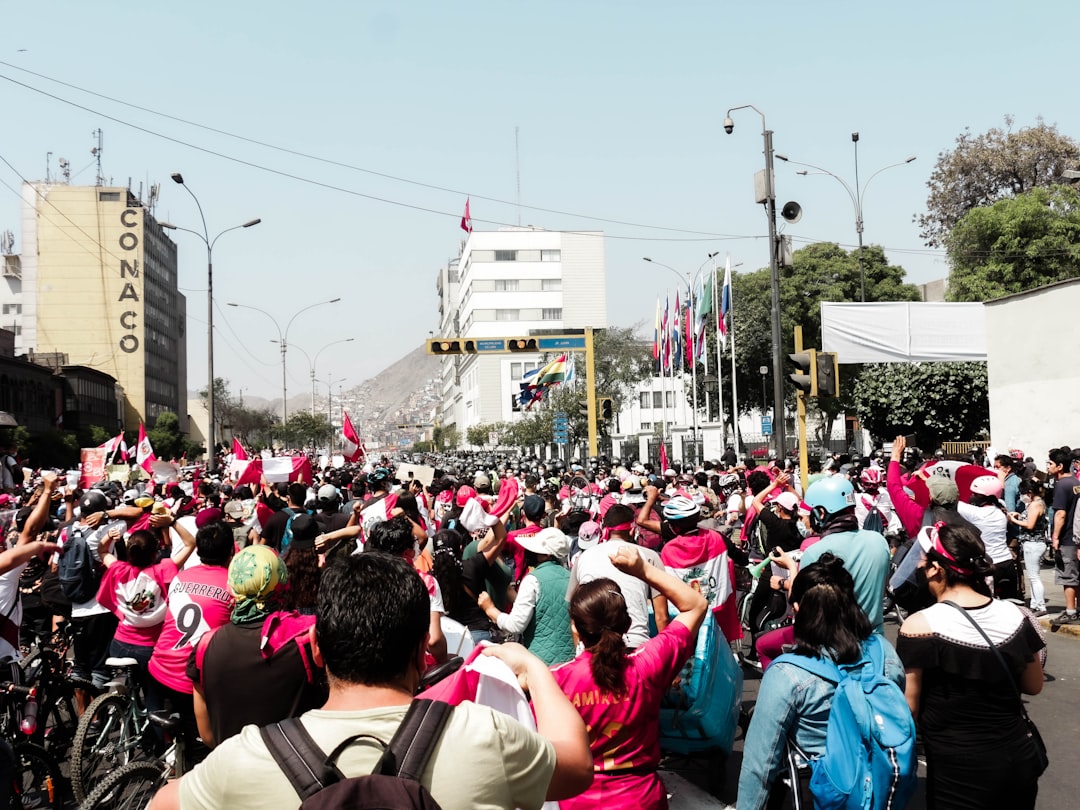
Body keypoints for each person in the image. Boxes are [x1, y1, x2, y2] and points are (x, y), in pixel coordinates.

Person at [151, 552, 594, 810]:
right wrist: (533, 668)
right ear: (422, 649)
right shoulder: (484, 736)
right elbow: (576, 764)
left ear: (317, 648)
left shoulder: (243, 760)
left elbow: (158, 803)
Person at [737, 554, 906, 810]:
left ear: (797, 610)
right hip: (879, 790)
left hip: (822, 795)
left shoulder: (788, 674)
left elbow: (760, 764)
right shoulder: (884, 653)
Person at [897, 522, 1045, 810]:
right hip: (1019, 756)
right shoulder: (1018, 614)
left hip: (959, 768)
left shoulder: (920, 626)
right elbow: (1033, 685)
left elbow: (909, 710)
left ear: (937, 569)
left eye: (924, 561)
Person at [552, 543, 707, 809]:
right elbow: (696, 605)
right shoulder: (649, 663)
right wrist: (643, 569)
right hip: (642, 798)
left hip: (578, 802)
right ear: (628, 623)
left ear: (577, 628)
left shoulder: (553, 682)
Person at [188, 545, 325, 748]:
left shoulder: (205, 646)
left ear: (232, 587)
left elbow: (208, 736)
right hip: (297, 769)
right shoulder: (307, 636)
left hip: (231, 769)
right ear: (283, 583)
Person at [566, 505, 669, 649]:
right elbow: (661, 616)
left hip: (591, 648)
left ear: (604, 529)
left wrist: (580, 651)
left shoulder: (583, 558)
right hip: (635, 646)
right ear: (633, 530)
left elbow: (574, 613)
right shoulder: (649, 557)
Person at [799, 475, 891, 634]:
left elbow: (806, 606)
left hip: (834, 644)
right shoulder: (879, 541)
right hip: (876, 641)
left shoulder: (813, 553)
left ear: (821, 513)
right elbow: (882, 589)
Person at [479, 527, 575, 666]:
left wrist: (490, 609)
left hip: (541, 662)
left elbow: (515, 625)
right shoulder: (571, 577)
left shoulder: (533, 580)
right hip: (570, 660)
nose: (527, 552)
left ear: (547, 555)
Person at [959, 475, 1016, 599]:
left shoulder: (976, 513)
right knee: (1012, 602)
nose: (972, 496)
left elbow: (950, 500)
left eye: (976, 494)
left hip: (989, 565)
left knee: (987, 601)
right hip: (1007, 562)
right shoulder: (1000, 508)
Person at [1048, 448, 1080, 627]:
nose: (1048, 467)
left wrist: (1055, 537)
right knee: (1077, 575)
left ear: (1060, 466)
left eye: (1050, 464)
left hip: (1067, 537)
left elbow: (1060, 514)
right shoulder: (1076, 482)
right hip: (1077, 537)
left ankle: (1070, 611)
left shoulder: (1062, 485)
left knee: (1067, 576)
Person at [1009, 479, 1048, 616]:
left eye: (1023, 493)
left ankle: (1040, 606)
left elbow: (1030, 525)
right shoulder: (1037, 503)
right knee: (1033, 576)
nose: (1022, 496)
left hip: (1033, 543)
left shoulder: (1034, 505)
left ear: (1029, 493)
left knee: (1034, 577)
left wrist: (1014, 520)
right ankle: (1035, 604)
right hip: (1034, 543)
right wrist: (1020, 516)